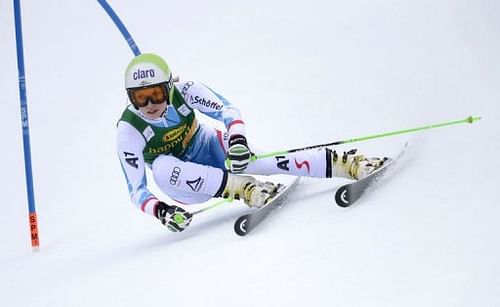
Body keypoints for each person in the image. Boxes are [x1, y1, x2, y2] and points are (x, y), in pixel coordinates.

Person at [117, 53, 385, 232]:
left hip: (207, 145)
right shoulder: (129, 130)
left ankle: (348, 164)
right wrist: (161, 211)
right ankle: (246, 189)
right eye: (140, 98)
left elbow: (228, 111)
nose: (150, 105)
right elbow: (136, 190)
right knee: (162, 166)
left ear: (169, 87)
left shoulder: (186, 91)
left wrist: (237, 140)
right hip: (184, 184)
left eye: (156, 94)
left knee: (267, 161)